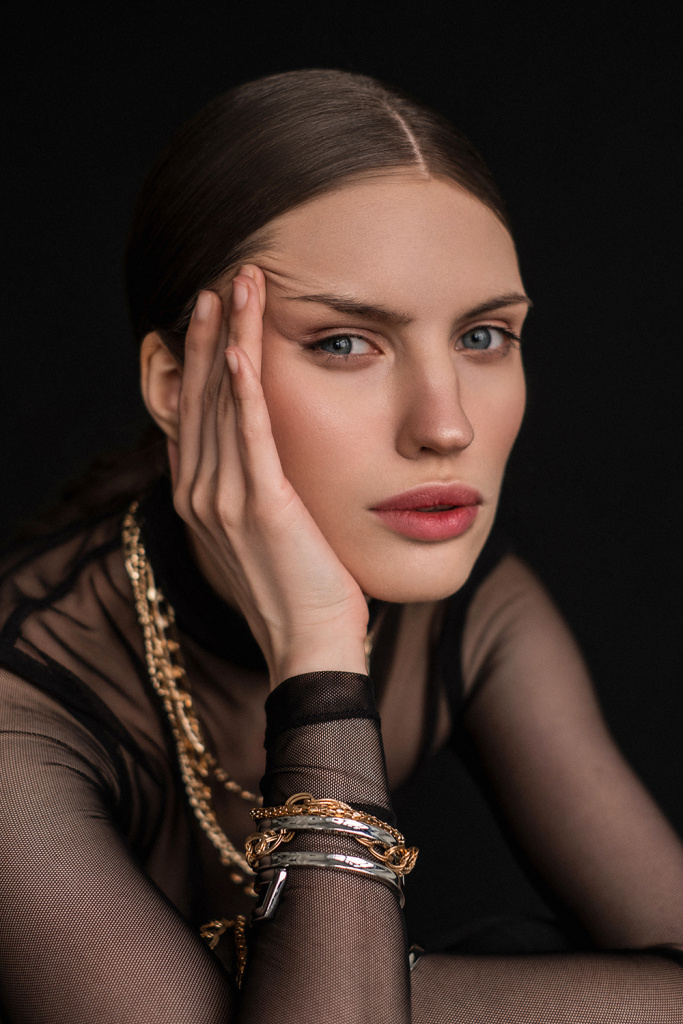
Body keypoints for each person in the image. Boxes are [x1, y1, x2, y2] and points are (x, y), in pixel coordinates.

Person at [1, 68, 682, 1024]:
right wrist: (317, 648)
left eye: (483, 336)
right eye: (343, 343)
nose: (445, 426)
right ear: (175, 382)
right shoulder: (18, 715)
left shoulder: (476, 611)